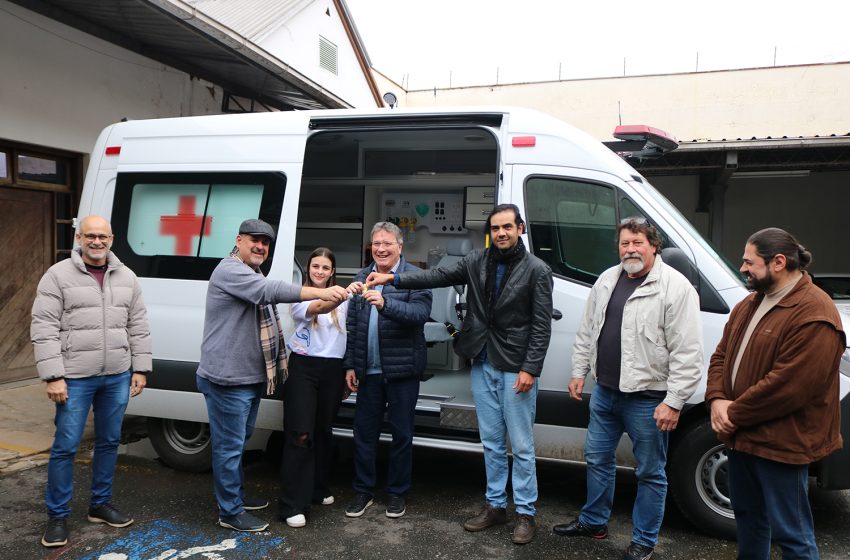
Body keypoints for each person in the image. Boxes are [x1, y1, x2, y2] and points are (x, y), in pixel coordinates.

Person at [366, 204, 553, 544]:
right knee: (492, 443)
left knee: (522, 446)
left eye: (507, 227)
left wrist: (530, 368)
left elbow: (541, 326)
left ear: (520, 228)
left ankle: (526, 513)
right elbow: (434, 277)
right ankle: (495, 507)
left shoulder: (537, 270)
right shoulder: (476, 262)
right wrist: (392, 277)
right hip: (481, 362)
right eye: (495, 228)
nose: (501, 233)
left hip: (515, 367)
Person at [553, 217, 703, 560]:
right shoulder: (608, 279)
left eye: (637, 242)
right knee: (597, 460)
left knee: (650, 472)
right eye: (624, 243)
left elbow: (688, 352)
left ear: (653, 246)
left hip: (649, 400)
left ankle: (644, 541)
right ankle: (594, 522)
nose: (630, 249)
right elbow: (587, 332)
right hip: (605, 393)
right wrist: (579, 371)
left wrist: (675, 401)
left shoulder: (675, 288)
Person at [197, 219, 348, 532]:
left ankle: (234, 498)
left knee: (237, 443)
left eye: (265, 243)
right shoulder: (231, 270)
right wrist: (319, 292)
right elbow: (271, 292)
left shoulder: (252, 272)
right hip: (228, 378)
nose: (260, 247)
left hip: (247, 377)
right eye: (254, 240)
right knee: (229, 447)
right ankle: (230, 512)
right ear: (238, 240)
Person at [706, 227, 844, 560]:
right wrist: (717, 400)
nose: (743, 268)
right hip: (742, 439)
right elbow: (721, 355)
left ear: (778, 262)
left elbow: (788, 387)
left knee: (792, 534)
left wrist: (731, 414)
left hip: (782, 445)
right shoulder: (751, 303)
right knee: (750, 521)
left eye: (748, 261)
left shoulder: (815, 313)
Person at [31, 215, 152, 548]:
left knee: (110, 442)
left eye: (103, 236)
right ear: (79, 238)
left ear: (111, 238)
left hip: (116, 376)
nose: (97, 242)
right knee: (66, 446)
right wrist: (53, 375)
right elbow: (43, 327)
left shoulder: (126, 276)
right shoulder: (57, 276)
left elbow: (138, 325)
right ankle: (57, 517)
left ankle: (99, 505)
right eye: (90, 236)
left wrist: (140, 368)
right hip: (74, 379)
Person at [343, 222, 432, 520]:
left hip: (402, 371)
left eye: (387, 243)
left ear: (400, 246)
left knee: (401, 434)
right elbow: (353, 326)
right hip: (367, 371)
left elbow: (419, 315)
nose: (381, 248)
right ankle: (363, 490)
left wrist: (385, 303)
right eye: (376, 243)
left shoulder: (415, 277)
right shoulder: (360, 276)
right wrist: (351, 365)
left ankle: (396, 493)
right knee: (363, 434)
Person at [279, 247, 358, 528]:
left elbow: (351, 334)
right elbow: (319, 307)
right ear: (308, 269)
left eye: (325, 268)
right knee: (301, 434)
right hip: (303, 368)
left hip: (332, 371)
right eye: (315, 267)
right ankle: (291, 506)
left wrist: (350, 369)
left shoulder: (344, 299)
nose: (320, 272)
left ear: (332, 271)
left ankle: (317, 488)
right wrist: (342, 293)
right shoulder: (301, 296)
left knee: (323, 431)